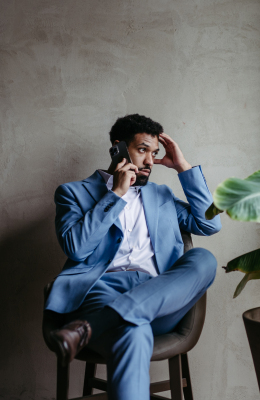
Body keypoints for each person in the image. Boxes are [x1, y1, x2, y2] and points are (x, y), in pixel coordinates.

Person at [44, 114, 221, 400]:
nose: (151, 161)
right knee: (132, 332)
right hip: (101, 293)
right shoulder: (73, 193)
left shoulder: (161, 195)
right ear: (118, 148)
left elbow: (209, 224)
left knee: (204, 259)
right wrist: (115, 194)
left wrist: (183, 168)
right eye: (143, 150)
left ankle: (93, 327)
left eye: (155, 153)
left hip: (160, 300)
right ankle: (106, 319)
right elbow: (76, 248)